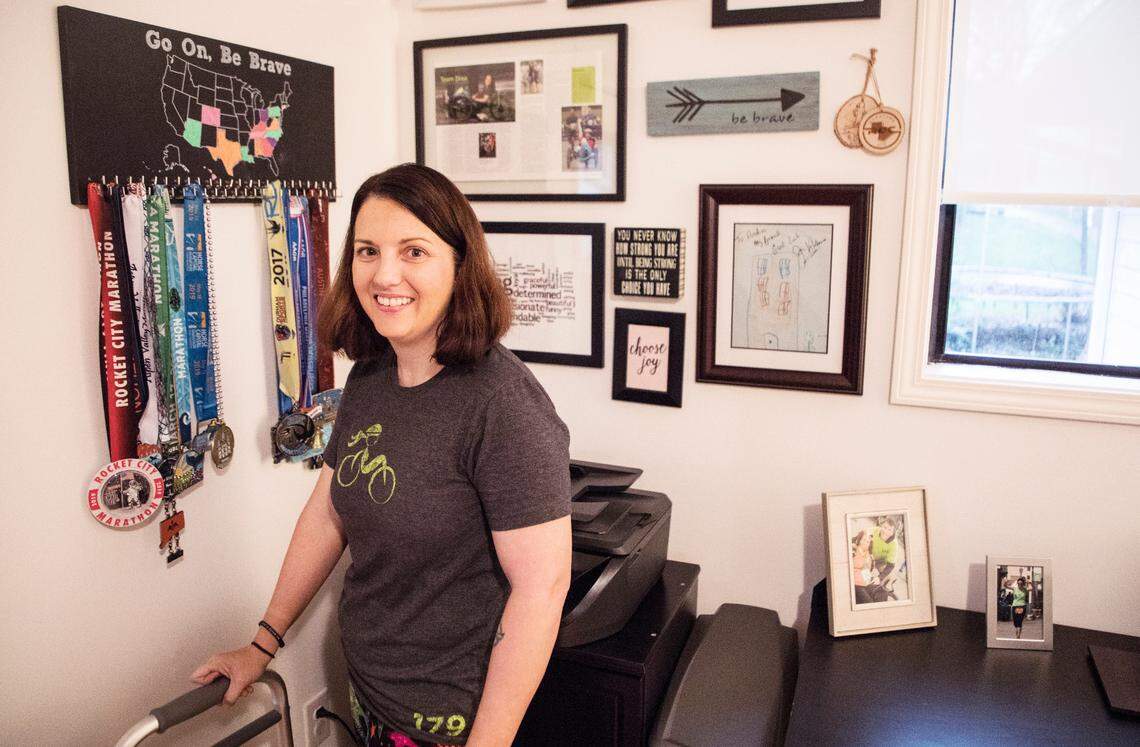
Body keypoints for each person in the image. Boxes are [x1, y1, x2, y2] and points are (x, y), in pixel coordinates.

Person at [191, 164, 572, 747]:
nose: (384, 273)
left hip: (452, 723)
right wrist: (260, 644)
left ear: (459, 264)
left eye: (414, 251)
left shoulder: (503, 406)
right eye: (368, 250)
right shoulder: (371, 375)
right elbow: (329, 513)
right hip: (369, 694)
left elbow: (541, 591)